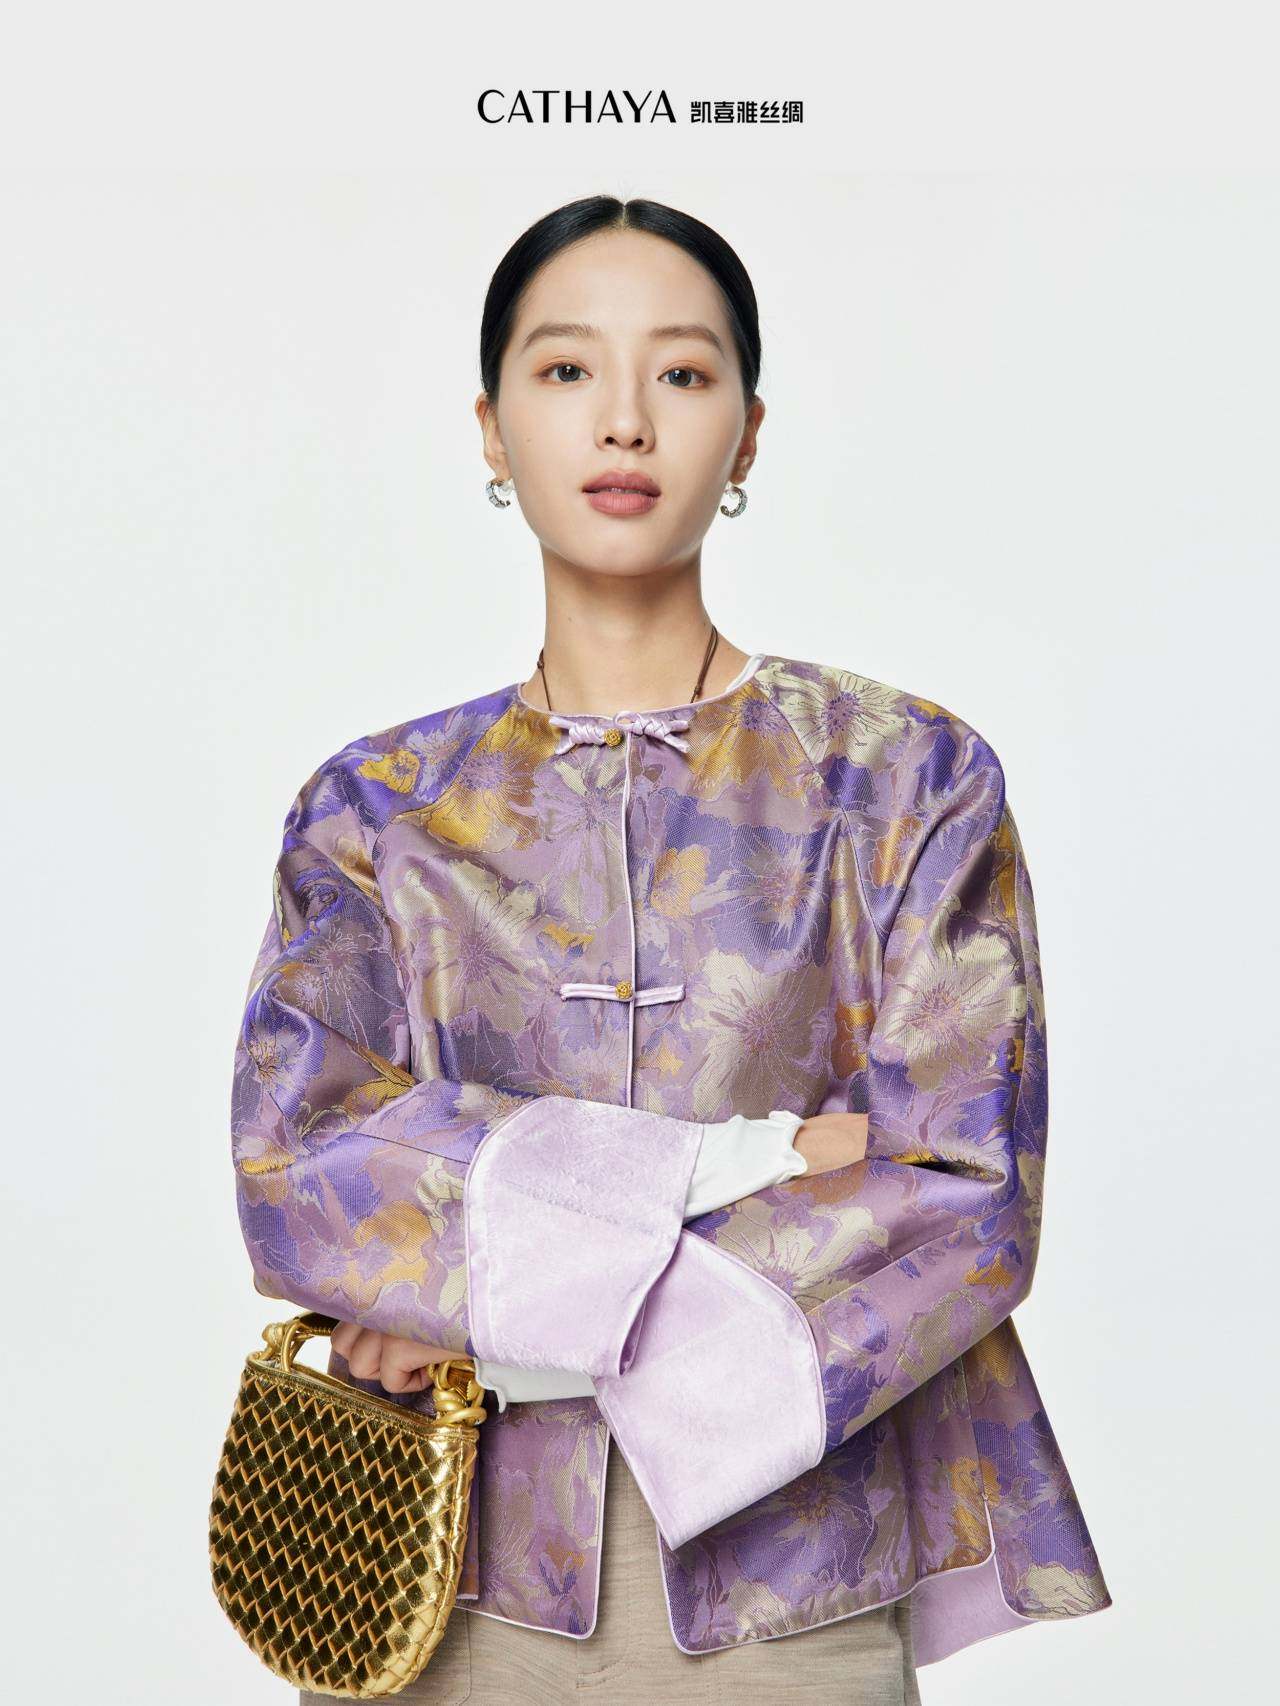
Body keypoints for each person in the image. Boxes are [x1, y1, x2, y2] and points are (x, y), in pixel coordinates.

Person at [230, 194, 1112, 1704]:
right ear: (492, 430)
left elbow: (964, 1195)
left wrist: (488, 1296)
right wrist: (750, 1165)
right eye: (567, 369)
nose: (625, 418)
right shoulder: (373, 812)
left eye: (684, 373)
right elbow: (301, 1170)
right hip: (438, 1574)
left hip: (795, 1589)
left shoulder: (907, 782)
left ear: (748, 434)